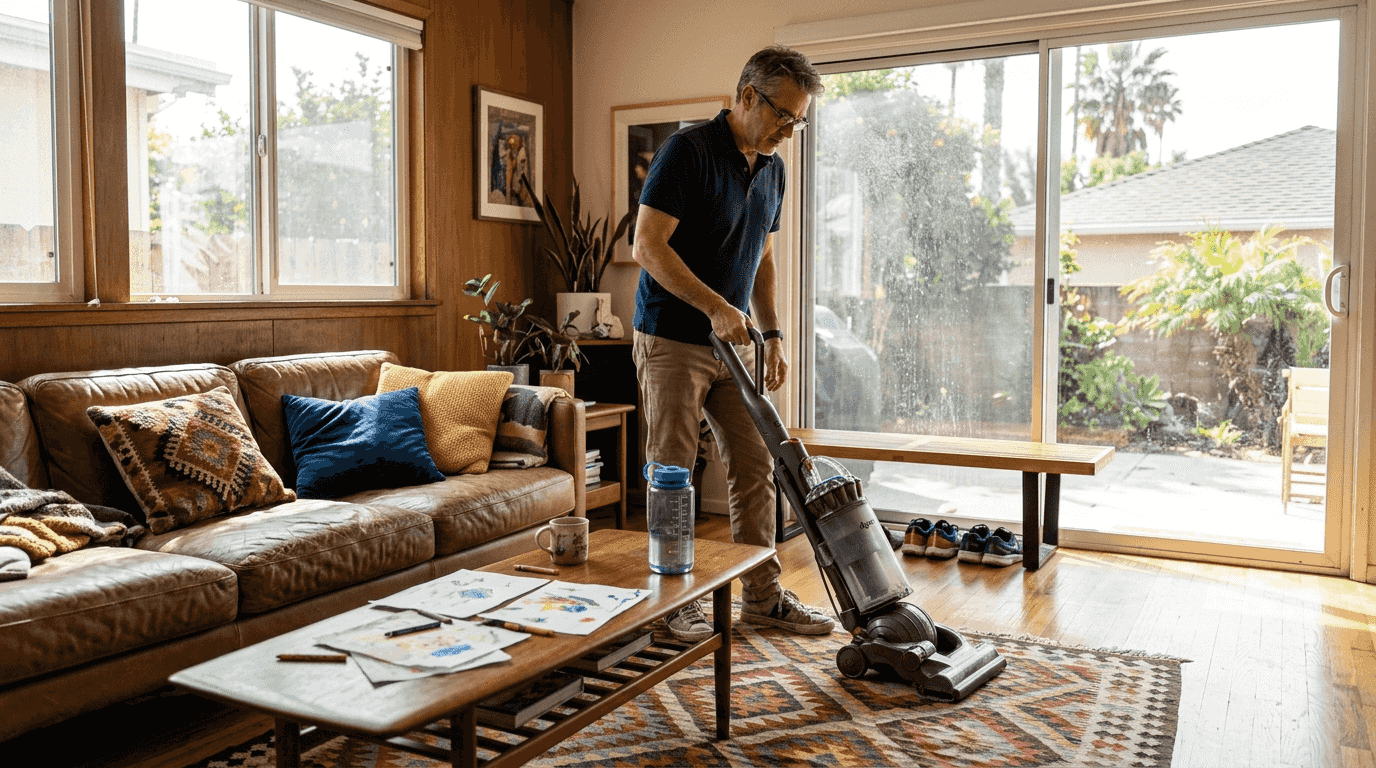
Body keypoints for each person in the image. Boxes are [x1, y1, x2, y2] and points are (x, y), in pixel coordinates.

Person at [632, 45, 833, 642]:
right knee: (672, 471)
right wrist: (717, 307)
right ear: (747, 96)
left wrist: (770, 332)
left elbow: (762, 257)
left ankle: (763, 598)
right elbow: (647, 247)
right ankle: (671, 601)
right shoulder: (686, 153)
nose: (789, 131)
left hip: (736, 345)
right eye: (783, 116)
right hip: (672, 339)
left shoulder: (772, 168)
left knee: (755, 468)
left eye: (799, 121)